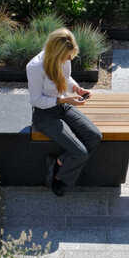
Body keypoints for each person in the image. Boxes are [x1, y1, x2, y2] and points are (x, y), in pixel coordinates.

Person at [26, 28, 102, 196]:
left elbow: (65, 79)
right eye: (67, 56)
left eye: (71, 56)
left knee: (95, 136)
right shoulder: (35, 67)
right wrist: (66, 99)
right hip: (44, 114)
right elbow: (36, 100)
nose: (69, 59)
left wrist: (76, 88)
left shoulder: (64, 58)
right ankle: (60, 178)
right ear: (56, 52)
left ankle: (60, 162)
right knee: (80, 153)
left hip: (62, 106)